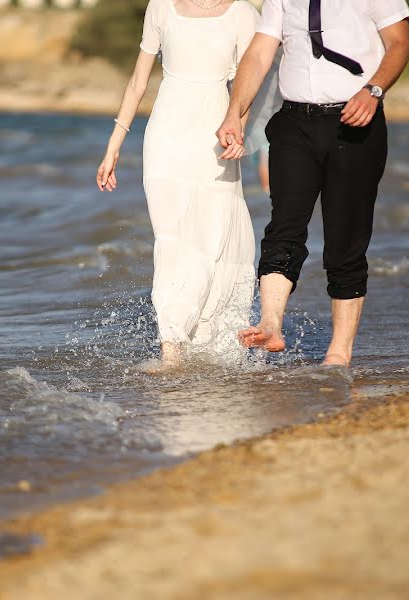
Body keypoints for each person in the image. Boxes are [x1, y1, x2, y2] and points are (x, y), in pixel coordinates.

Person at [216, 0, 409, 368]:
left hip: (355, 121)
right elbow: (260, 53)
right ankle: (271, 325)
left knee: (345, 240)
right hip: (293, 122)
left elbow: (400, 42)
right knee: (283, 227)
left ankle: (338, 353)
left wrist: (374, 91)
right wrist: (234, 113)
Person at [96, 0, 261, 372]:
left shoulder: (244, 15)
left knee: (212, 235)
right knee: (170, 239)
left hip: (214, 138)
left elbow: (248, 84)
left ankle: (207, 338)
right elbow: (139, 80)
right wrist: (114, 145)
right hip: (165, 137)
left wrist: (239, 132)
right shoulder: (161, 7)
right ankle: (171, 347)